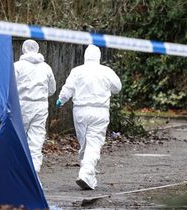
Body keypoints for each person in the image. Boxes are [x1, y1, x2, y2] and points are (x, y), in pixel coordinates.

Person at [56, 44, 121, 190]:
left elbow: (68, 88)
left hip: (80, 111)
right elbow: (118, 87)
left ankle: (87, 174)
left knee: (85, 142)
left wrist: (61, 99)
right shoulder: (106, 71)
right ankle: (86, 173)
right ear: (98, 57)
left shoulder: (77, 71)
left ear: (85, 56)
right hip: (100, 111)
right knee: (93, 142)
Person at [14, 39, 56, 173]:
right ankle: (34, 171)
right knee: (36, 139)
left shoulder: (17, 66)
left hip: (21, 105)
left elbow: (10, 87)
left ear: (23, 49)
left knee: (19, 137)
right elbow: (52, 90)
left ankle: (18, 169)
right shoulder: (46, 67)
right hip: (41, 106)